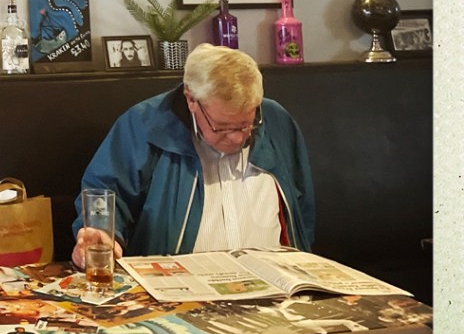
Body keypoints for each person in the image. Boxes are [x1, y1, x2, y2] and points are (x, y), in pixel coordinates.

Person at [72, 44, 315, 266]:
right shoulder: (144, 126)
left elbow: (301, 206)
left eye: (246, 124)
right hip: (177, 285)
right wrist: (103, 234)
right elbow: (104, 194)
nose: (237, 138)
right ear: (191, 100)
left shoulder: (276, 121)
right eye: (222, 127)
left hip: (274, 280)